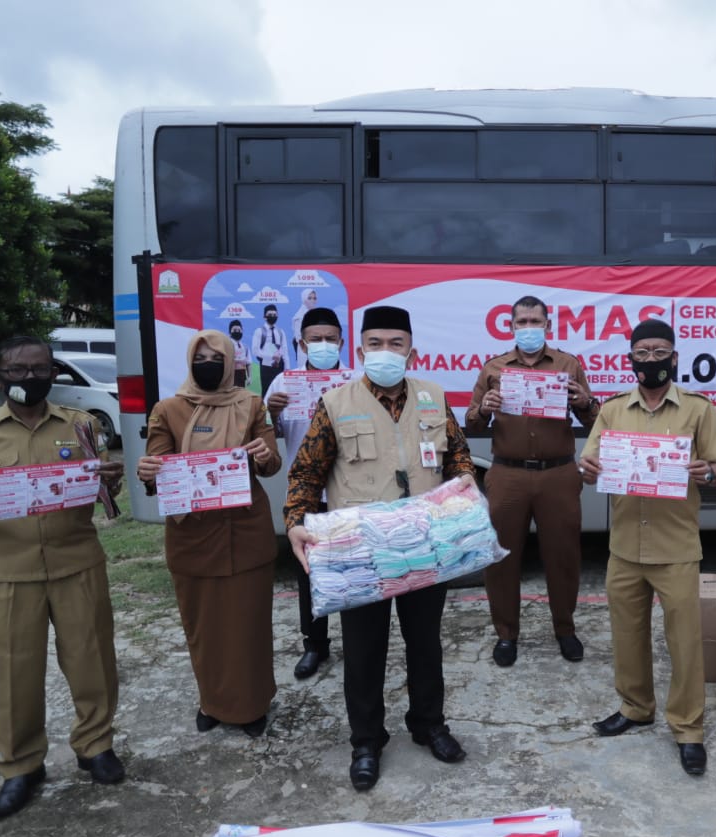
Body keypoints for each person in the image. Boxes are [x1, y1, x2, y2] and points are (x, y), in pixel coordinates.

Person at [285, 305, 476, 792]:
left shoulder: (433, 397)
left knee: (425, 642)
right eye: (375, 344)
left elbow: (457, 454)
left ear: (412, 351)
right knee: (364, 650)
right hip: (361, 550)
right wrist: (295, 522)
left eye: (396, 344)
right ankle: (366, 741)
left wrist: (464, 482)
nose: (385, 352)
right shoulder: (335, 402)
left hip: (424, 542)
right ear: (360, 350)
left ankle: (429, 725)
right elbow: (306, 471)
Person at [0, 335, 126, 818]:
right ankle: (21, 765)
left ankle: (95, 745)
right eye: (19, 371)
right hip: (6, 569)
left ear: (53, 372)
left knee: (93, 662)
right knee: (10, 673)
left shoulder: (82, 425)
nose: (31, 377)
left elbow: (102, 484)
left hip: (77, 561)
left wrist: (109, 479)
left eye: (41, 369)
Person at [578, 318, 716, 777]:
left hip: (676, 546)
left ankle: (688, 728)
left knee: (684, 644)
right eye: (642, 352)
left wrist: (705, 472)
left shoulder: (698, 410)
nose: (651, 360)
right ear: (631, 358)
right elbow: (589, 463)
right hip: (625, 546)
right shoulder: (612, 410)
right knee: (627, 636)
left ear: (674, 357)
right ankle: (636, 707)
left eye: (659, 352)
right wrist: (587, 469)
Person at [135, 330, 281, 738]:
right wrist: (149, 472)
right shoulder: (167, 409)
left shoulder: (252, 404)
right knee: (203, 626)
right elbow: (157, 465)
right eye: (200, 358)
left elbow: (270, 462)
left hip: (245, 530)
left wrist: (265, 456)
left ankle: (252, 704)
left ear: (232, 362)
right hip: (193, 534)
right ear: (189, 362)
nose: (208, 365)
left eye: (217, 358)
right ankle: (212, 702)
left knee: (249, 624)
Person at [465, 295, 599, 668]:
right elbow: (471, 423)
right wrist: (484, 409)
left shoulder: (568, 365)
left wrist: (584, 401)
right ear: (511, 327)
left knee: (563, 555)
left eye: (535, 322)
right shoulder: (494, 368)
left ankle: (565, 629)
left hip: (558, 473)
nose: (528, 328)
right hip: (508, 473)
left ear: (547, 325)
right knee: (501, 556)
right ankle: (506, 634)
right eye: (522, 322)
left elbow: (594, 421)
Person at [264, 306, 348, 679]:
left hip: (348, 492)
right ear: (302, 343)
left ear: (341, 343)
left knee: (352, 569)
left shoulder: (355, 381)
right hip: (307, 495)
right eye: (316, 339)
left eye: (330, 339)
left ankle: (357, 641)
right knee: (309, 572)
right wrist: (270, 413)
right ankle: (314, 644)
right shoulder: (283, 384)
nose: (323, 344)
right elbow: (268, 438)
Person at [251, 305, 288, 393]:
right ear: (264, 316)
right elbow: (255, 351)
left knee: (279, 390)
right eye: (270, 314)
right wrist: (270, 356)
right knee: (266, 390)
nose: (272, 316)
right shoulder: (259, 331)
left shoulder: (280, 332)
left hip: (279, 365)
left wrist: (287, 368)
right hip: (266, 365)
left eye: (275, 314)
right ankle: (265, 403)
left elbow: (284, 350)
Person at [290, 289, 318, 369]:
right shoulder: (299, 316)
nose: (313, 300)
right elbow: (298, 337)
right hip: (305, 351)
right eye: (309, 298)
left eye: (314, 298)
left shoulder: (315, 315)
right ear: (304, 299)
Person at [228, 320, 251, 390]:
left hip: (242, 375)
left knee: (241, 394)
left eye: (239, 330)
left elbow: (248, 363)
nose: (237, 332)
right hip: (230, 375)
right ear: (230, 332)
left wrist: (249, 377)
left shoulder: (245, 346)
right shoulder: (227, 345)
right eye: (235, 330)